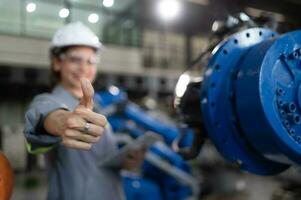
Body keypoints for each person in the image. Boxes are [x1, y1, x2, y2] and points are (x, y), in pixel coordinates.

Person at [23, 22, 145, 200]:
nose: (84, 68)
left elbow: (99, 162)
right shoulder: (49, 101)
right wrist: (62, 121)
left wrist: (125, 162)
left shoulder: (97, 108)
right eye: (75, 59)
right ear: (57, 63)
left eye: (91, 61)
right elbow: (41, 116)